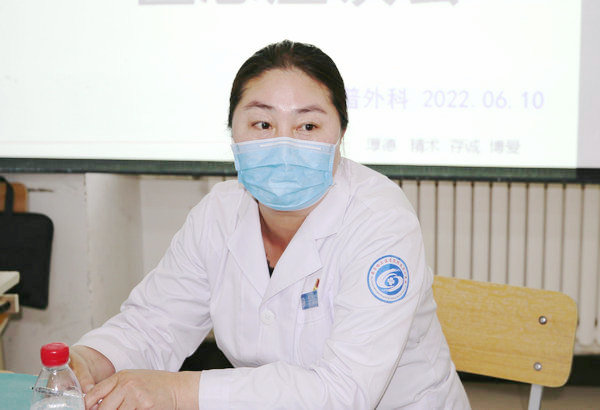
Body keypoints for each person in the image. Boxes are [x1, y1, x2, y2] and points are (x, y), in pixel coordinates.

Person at [70, 40, 470, 409]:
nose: (283, 145)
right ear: (233, 132)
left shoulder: (380, 220)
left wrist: (178, 391)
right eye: (262, 124)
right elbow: (154, 323)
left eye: (308, 126)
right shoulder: (219, 213)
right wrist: (92, 359)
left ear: (341, 134)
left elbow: (344, 390)